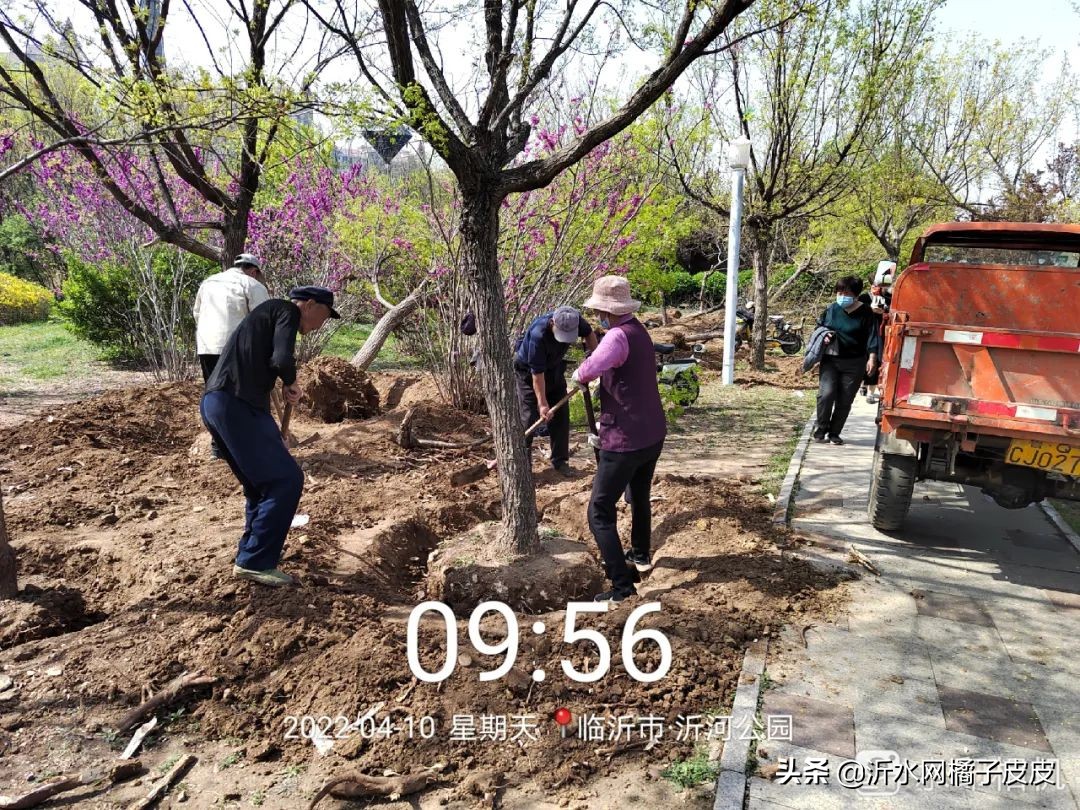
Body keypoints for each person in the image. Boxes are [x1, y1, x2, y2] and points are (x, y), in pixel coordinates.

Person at [200, 286, 339, 587]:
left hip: (219, 404)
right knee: (286, 480)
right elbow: (281, 359)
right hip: (235, 404)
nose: (320, 325)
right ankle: (256, 561)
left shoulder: (267, 315)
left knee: (260, 485)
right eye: (323, 316)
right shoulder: (285, 310)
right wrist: (292, 382)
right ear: (310, 304)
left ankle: (251, 557)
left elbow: (265, 361)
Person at [571, 276, 666, 604]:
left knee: (599, 510)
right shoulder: (639, 331)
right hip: (651, 433)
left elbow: (589, 369)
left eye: (598, 310)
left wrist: (578, 376)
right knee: (639, 495)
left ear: (605, 311)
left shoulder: (616, 338)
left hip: (626, 440)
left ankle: (622, 587)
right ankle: (640, 554)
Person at [193, 253, 270, 457]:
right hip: (238, 351)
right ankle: (253, 446)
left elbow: (197, 314)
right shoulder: (252, 285)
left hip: (207, 347)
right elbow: (264, 322)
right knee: (248, 398)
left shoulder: (208, 282)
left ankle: (219, 448)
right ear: (254, 271)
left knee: (215, 397)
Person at [514, 306, 598, 475]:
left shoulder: (575, 320)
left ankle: (560, 461)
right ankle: (523, 467)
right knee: (529, 417)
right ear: (552, 323)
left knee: (561, 416)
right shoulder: (538, 335)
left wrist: (594, 360)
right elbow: (537, 375)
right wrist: (543, 404)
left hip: (554, 368)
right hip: (528, 373)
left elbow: (589, 335)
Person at [814, 276, 880, 445]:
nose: (842, 295)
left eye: (846, 292)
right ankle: (821, 429)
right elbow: (819, 328)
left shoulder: (866, 312)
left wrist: (872, 357)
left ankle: (834, 432)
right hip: (831, 360)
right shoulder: (831, 310)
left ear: (856, 294)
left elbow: (872, 337)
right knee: (826, 395)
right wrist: (824, 336)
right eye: (839, 292)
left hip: (855, 362)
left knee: (845, 399)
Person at [858, 261, 894, 403]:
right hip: (864, 333)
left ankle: (871, 391)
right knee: (863, 357)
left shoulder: (889, 299)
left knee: (877, 359)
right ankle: (863, 384)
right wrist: (869, 311)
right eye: (875, 286)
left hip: (881, 333)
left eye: (879, 286)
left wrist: (884, 312)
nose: (877, 288)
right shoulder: (864, 298)